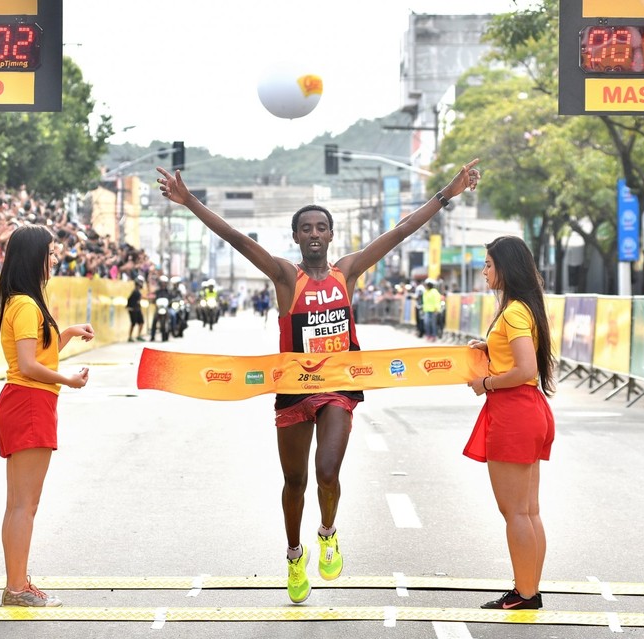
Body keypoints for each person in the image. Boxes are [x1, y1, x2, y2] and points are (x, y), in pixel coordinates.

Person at [156, 158, 481, 603]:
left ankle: (327, 532)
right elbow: (235, 238)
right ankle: (294, 555)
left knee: (327, 471)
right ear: (296, 237)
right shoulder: (286, 277)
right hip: (293, 389)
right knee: (295, 483)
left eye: (320, 227)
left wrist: (449, 191)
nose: (313, 233)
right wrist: (189, 200)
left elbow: (402, 229)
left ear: (330, 235)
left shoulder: (347, 271)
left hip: (337, 388)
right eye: (305, 228)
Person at [0, 224, 95, 607]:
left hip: (29, 401)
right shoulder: (24, 303)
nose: (54, 259)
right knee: (25, 504)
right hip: (30, 402)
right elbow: (28, 365)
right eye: (51, 253)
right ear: (35, 256)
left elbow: (39, 352)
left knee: (19, 503)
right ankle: (17, 588)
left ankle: (17, 583)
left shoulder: (25, 302)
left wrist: (66, 333)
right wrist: (67, 380)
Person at [463, 235, 556, 611]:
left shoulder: (515, 311)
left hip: (514, 411)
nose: (484, 270)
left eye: (488, 263)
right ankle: (528, 589)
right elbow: (520, 359)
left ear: (505, 267)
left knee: (516, 512)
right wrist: (488, 347)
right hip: (528, 410)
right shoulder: (523, 308)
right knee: (529, 510)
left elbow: (525, 369)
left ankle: (526, 593)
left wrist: (484, 382)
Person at [127, 277, 146, 342]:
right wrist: (129, 307)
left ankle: (139, 335)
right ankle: (130, 337)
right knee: (133, 323)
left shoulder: (137, 291)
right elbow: (129, 300)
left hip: (137, 309)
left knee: (141, 322)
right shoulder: (135, 292)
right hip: (133, 309)